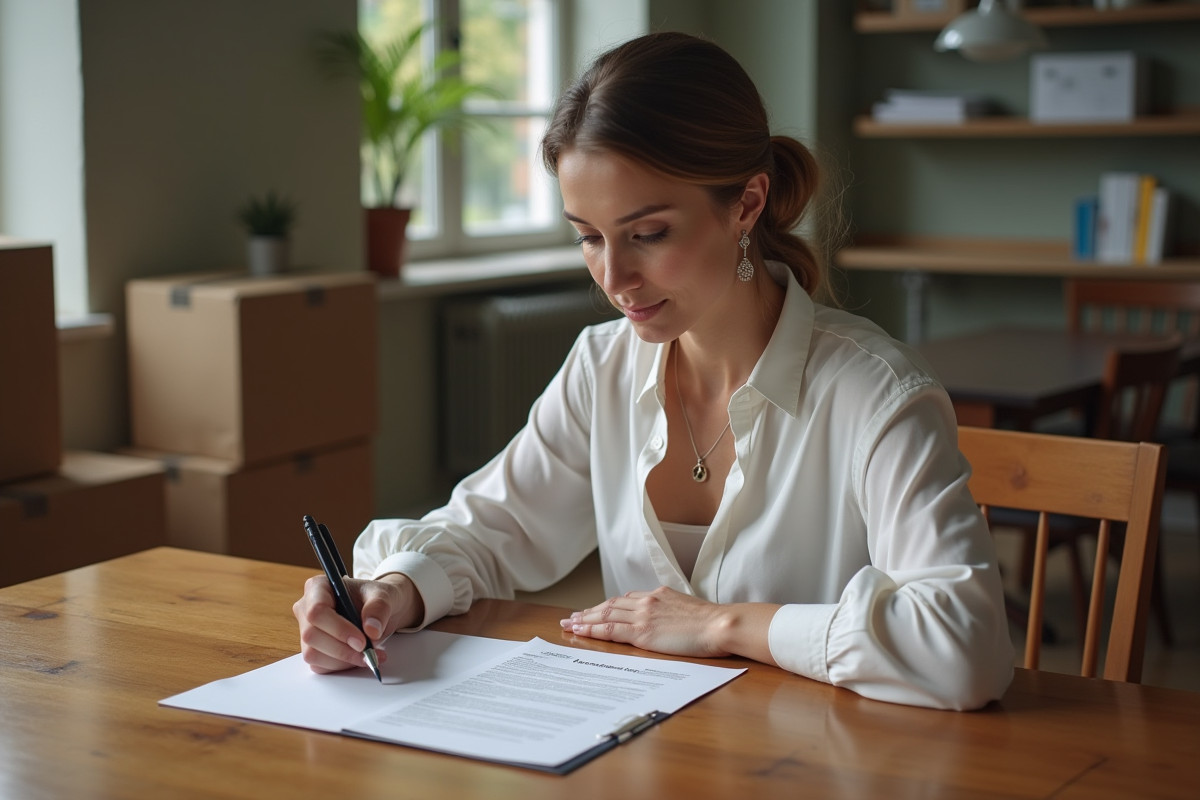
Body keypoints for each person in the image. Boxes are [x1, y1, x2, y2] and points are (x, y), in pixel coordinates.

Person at [294, 32, 1014, 711]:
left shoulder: (877, 396)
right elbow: (490, 529)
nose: (614, 277)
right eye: (588, 239)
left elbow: (965, 646)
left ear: (747, 204)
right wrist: (390, 592)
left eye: (647, 234)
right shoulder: (602, 368)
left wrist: (722, 626)